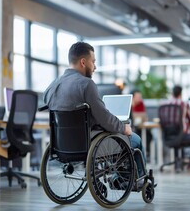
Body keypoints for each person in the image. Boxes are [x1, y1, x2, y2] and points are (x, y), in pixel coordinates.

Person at [43, 41, 146, 177]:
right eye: (93, 61)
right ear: (83, 62)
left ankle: (122, 176)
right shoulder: (86, 84)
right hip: (88, 144)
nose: (95, 66)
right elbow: (103, 118)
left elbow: (48, 102)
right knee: (135, 139)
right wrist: (123, 128)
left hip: (61, 145)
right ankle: (138, 179)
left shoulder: (53, 85)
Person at [167, 85, 190, 169]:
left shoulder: (166, 103)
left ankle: (179, 161)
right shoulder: (184, 104)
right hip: (183, 136)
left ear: (172, 93)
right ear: (181, 93)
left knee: (179, 138)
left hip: (168, 136)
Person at [130, 89, 152, 159]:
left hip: (140, 126)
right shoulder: (129, 105)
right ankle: (140, 154)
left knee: (149, 134)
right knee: (138, 135)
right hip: (132, 128)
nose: (140, 99)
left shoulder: (141, 104)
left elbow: (145, 117)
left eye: (140, 97)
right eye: (138, 97)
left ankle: (146, 153)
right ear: (133, 97)